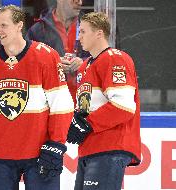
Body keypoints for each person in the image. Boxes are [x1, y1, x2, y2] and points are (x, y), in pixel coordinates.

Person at [0, 5, 74, 190]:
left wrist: (56, 144)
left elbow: (61, 105)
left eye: (4, 25)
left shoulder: (45, 56)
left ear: (19, 25)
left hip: (40, 153)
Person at [66, 12, 141, 190]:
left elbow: (123, 106)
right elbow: (87, 106)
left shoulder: (115, 58)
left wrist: (87, 124)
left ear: (99, 33)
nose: (79, 37)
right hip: (90, 148)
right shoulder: (86, 66)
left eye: (83, 31)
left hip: (109, 147)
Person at [26, 0, 90, 104]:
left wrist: (84, 63)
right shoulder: (38, 29)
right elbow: (26, 63)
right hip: (51, 104)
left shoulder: (92, 27)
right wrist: (52, 63)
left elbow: (104, 59)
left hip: (84, 104)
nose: (80, 2)